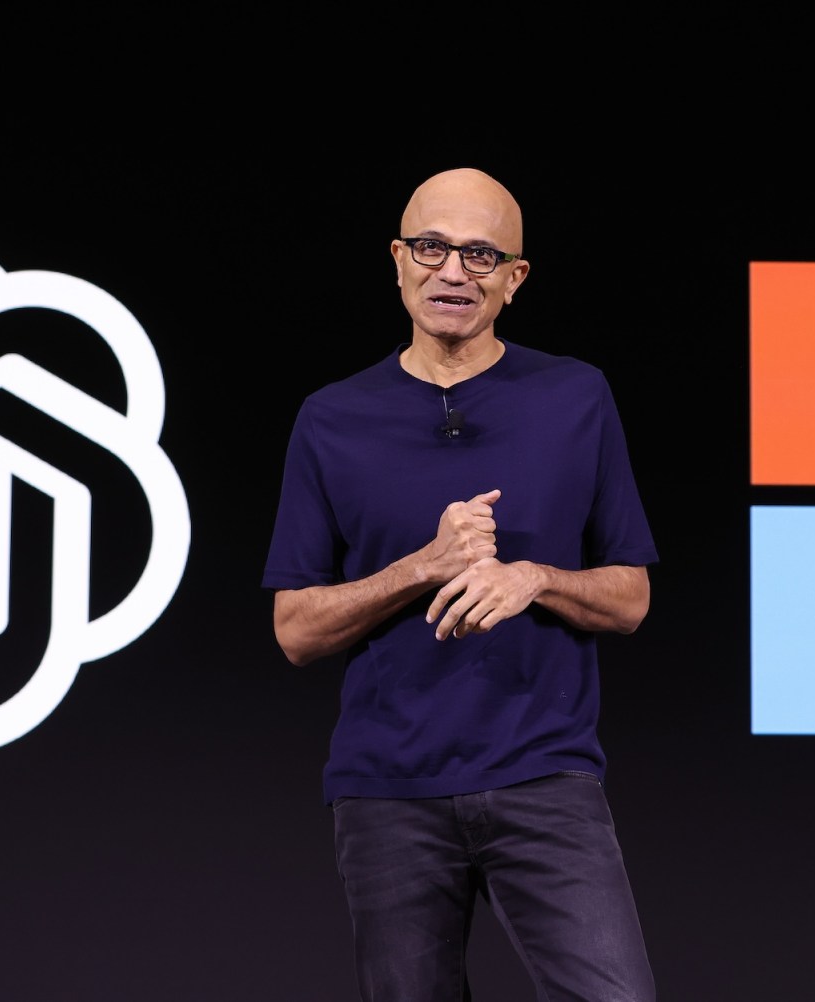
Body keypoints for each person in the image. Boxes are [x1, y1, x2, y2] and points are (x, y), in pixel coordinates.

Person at [262, 166, 659, 1001]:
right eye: (433, 247)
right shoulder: (330, 419)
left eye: (481, 254)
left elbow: (629, 596)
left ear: (515, 280)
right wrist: (425, 567)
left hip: (544, 776)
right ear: (398, 260)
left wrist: (536, 579)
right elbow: (295, 629)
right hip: (387, 794)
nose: (453, 271)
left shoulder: (575, 395)